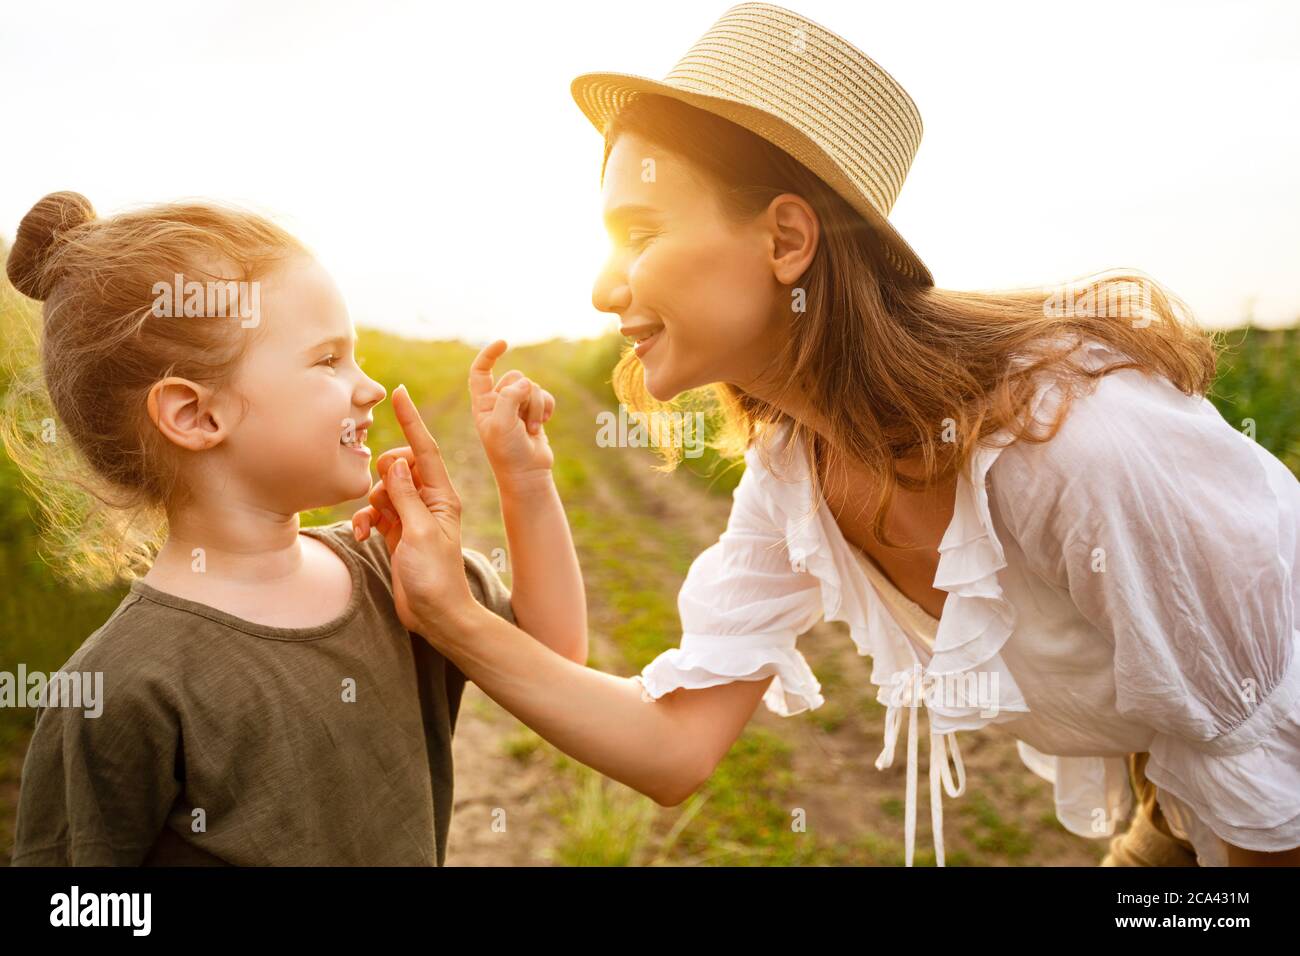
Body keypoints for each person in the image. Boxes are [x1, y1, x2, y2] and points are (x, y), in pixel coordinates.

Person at [357, 2, 1300, 867]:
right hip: (1186, 803)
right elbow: (672, 744)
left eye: (639, 232)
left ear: (786, 242)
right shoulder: (796, 469)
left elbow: (1269, 783)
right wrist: (455, 611)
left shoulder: (1074, 442)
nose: (604, 288)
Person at [5, 192, 584, 865]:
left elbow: (556, 660)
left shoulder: (392, 572)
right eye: (328, 361)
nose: (368, 388)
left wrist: (528, 480)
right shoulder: (121, 688)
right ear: (195, 415)